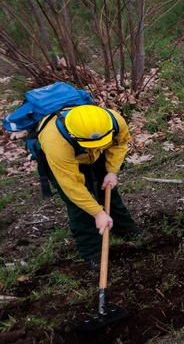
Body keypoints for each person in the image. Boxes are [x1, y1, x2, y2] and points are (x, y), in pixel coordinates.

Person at [37, 104, 144, 270]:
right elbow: (72, 186)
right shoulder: (55, 142)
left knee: (108, 189)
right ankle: (93, 251)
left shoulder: (114, 120)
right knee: (79, 205)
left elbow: (120, 142)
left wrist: (112, 171)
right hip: (68, 158)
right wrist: (97, 212)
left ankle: (125, 228)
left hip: (97, 151)